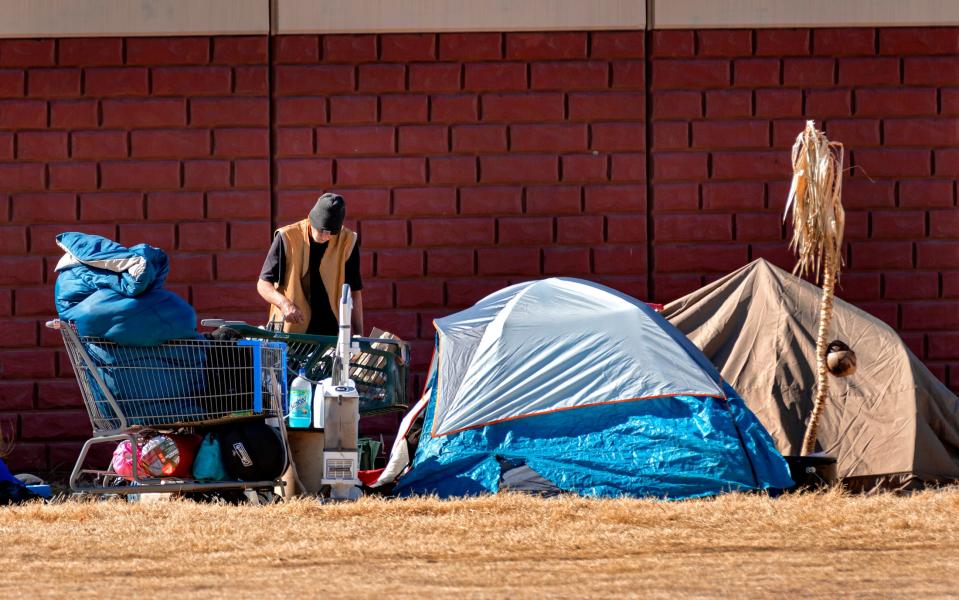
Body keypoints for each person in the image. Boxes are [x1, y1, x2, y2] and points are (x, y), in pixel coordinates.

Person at [257, 193, 364, 336]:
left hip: (330, 335)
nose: (326, 237)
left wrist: (360, 337)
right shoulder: (287, 237)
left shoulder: (347, 241)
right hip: (291, 333)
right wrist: (284, 304)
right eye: (321, 231)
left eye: (331, 233)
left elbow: (355, 292)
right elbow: (263, 284)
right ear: (311, 220)